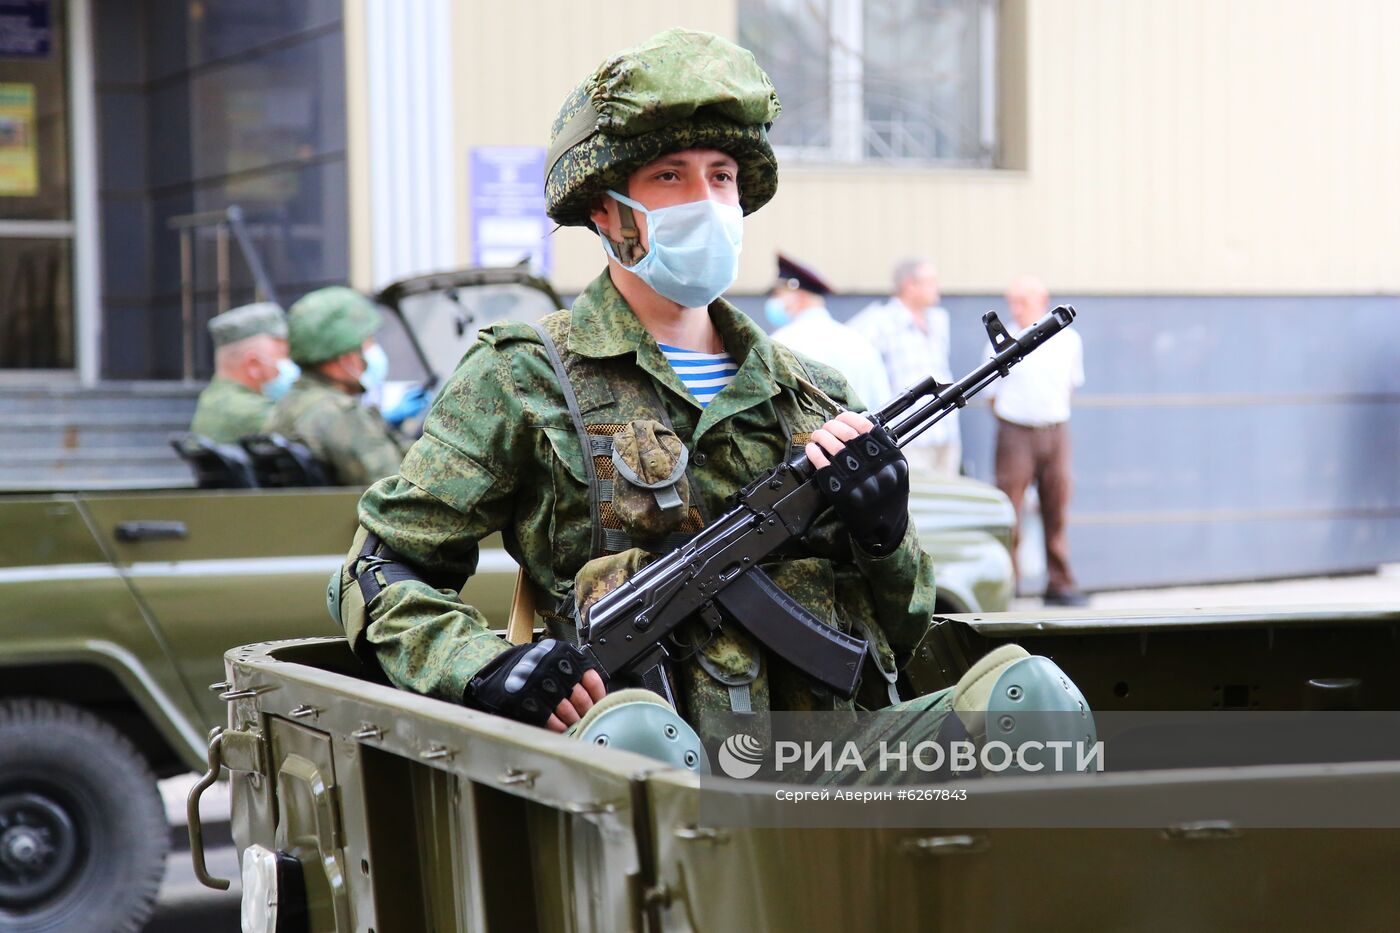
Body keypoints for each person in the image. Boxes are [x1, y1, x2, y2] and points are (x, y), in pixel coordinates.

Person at [332, 29, 1087, 752]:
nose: (707, 200)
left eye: (721, 176)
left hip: (836, 759)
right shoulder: (524, 377)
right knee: (640, 741)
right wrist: (481, 666)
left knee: (1034, 700)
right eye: (670, 176)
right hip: (649, 783)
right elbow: (381, 567)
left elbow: (909, 631)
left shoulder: (814, 393)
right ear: (605, 209)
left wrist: (885, 533)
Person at [987, 275, 1087, 607]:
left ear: (1041, 301)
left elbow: (1070, 385)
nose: (1015, 309)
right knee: (1009, 507)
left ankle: (1059, 583)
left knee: (1056, 505)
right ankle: (1008, 584)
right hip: (1015, 430)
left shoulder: (1068, 339)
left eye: (1022, 301)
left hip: (1056, 430)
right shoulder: (999, 341)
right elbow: (990, 394)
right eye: (1012, 301)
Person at [263, 286, 406, 487]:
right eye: (365, 344)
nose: (368, 355)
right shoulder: (340, 414)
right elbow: (395, 491)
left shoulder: (286, 406)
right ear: (344, 358)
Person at [849, 258, 961, 476]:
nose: (937, 288)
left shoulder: (938, 319)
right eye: (930, 282)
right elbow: (856, 364)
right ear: (910, 286)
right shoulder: (879, 322)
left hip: (945, 431)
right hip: (910, 433)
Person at [765, 253, 892, 409]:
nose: (774, 302)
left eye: (779, 295)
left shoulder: (780, 343)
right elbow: (881, 405)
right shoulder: (859, 341)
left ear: (800, 296)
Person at [189, 302, 296, 443]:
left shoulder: (213, 398)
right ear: (253, 365)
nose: (290, 364)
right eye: (284, 356)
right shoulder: (252, 412)